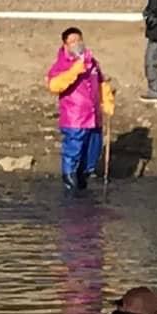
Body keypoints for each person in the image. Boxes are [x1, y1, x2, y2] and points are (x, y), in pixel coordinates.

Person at [47, 28, 106, 195]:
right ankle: (69, 182)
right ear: (65, 45)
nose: (77, 44)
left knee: (92, 152)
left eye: (79, 40)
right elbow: (54, 85)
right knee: (73, 151)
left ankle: (83, 179)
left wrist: (107, 100)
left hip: (94, 116)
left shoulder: (91, 62)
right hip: (75, 118)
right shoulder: (62, 65)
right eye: (72, 42)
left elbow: (101, 82)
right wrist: (74, 70)